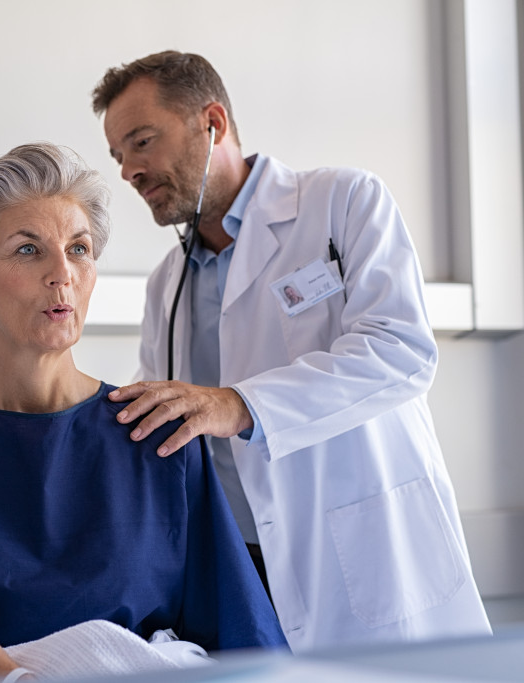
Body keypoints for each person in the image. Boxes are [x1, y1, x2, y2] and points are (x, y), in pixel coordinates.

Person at [91, 51, 491, 652]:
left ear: (213, 123)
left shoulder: (344, 202)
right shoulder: (166, 282)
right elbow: (168, 418)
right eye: (119, 156)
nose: (129, 171)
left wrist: (240, 405)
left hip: (364, 547)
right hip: (239, 569)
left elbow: (400, 350)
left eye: (142, 142)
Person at [0, 142, 285, 680]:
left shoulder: (157, 432)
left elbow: (242, 630)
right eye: (29, 250)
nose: (63, 274)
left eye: (78, 249)